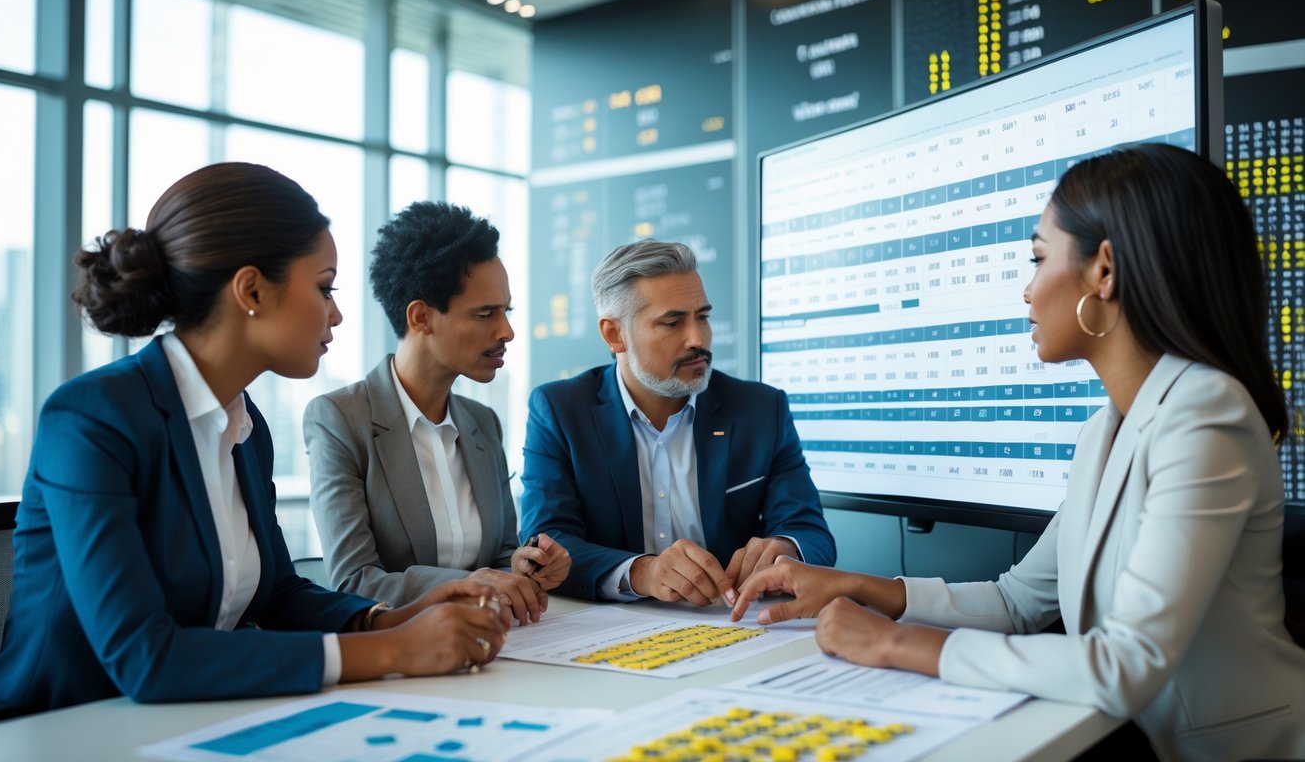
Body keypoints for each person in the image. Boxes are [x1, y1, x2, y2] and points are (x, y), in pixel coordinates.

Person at [731, 143, 1305, 762]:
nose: (1027, 291)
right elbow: (1018, 602)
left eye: (1037, 259)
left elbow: (1127, 663)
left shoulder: (1205, 412)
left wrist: (897, 645)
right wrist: (858, 586)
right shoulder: (1105, 430)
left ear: (1104, 272)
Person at [0, 164, 510, 712]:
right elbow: (145, 656)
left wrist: (392, 618)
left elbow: (278, 593)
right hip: (60, 728)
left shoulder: (245, 426)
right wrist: (392, 650)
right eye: (323, 287)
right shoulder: (93, 419)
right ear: (252, 290)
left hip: (195, 719)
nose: (337, 312)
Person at [519, 239, 836, 605]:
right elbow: (548, 542)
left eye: (702, 316)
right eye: (672, 323)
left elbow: (811, 532)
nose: (698, 339)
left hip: (736, 627)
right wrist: (642, 572)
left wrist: (785, 548)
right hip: (611, 633)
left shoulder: (761, 409)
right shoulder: (559, 410)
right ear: (614, 334)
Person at [304, 201, 569, 626]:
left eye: (506, 311)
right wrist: (472, 584)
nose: (507, 331)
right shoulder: (340, 418)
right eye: (486, 314)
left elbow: (500, 556)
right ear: (421, 316)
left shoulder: (483, 422)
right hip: (406, 652)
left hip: (496, 645)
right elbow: (353, 581)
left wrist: (525, 568)